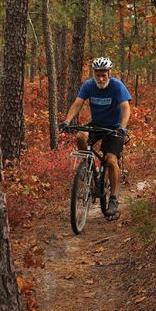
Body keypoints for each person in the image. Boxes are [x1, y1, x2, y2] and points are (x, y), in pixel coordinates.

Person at [59, 57, 131, 216]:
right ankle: (89, 169)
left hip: (114, 128)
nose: (101, 78)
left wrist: (123, 128)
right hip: (96, 124)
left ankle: (113, 198)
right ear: (94, 74)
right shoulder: (88, 85)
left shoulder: (117, 86)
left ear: (109, 73)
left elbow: (125, 107)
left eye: (104, 75)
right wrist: (67, 120)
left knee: (111, 160)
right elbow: (78, 103)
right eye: (98, 75)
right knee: (80, 137)